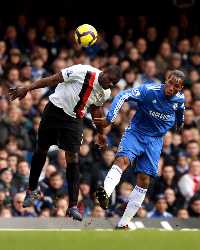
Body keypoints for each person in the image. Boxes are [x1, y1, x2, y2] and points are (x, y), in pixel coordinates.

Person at [8, 63, 121, 221]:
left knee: (73, 158)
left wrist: (101, 133)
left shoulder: (105, 92)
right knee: (41, 149)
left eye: (113, 83)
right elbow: (52, 80)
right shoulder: (81, 71)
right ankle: (32, 190)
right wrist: (27, 88)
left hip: (74, 120)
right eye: (110, 79)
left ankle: (73, 206)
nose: (110, 84)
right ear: (105, 71)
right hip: (54, 111)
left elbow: (96, 109)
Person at [95, 69, 185, 229]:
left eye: (176, 86)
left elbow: (180, 113)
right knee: (122, 160)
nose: (171, 87)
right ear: (166, 79)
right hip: (136, 133)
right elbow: (123, 95)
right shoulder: (149, 90)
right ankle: (105, 193)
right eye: (170, 82)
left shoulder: (179, 99)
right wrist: (110, 118)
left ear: (180, 88)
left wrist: (180, 124)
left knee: (144, 180)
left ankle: (123, 224)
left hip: (155, 141)